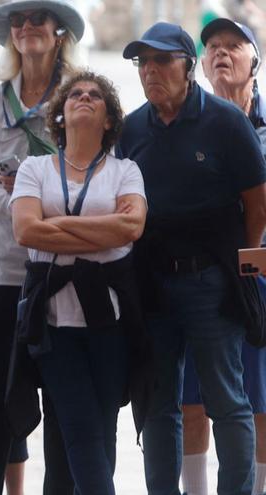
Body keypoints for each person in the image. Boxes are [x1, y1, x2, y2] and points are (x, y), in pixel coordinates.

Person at [116, 22, 266, 495]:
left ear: (187, 66)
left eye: (161, 61)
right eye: (143, 63)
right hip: (153, 284)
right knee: (160, 405)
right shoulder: (133, 127)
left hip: (212, 283)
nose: (151, 71)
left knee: (228, 401)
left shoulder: (224, 120)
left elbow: (258, 199)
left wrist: (234, 262)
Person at [0, 0, 84, 492]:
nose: (28, 26)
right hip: (7, 275)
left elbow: (99, 175)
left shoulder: (83, 96)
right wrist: (26, 208)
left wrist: (37, 200)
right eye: (19, 20)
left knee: (63, 399)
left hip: (67, 272)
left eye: (39, 17)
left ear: (59, 31)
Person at [10, 71, 147, 494]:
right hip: (53, 325)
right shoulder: (34, 168)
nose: (84, 98)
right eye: (75, 95)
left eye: (94, 96)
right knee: (82, 430)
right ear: (60, 114)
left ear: (108, 119)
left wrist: (58, 223)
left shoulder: (125, 170)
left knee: (99, 431)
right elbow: (26, 231)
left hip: (109, 322)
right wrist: (100, 229)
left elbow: (132, 227)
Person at [179, 18, 266, 495]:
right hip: (199, 277)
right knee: (191, 398)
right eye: (211, 46)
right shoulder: (186, 123)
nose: (221, 53)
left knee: (260, 400)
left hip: (261, 278)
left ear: (256, 60)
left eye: (234, 45)